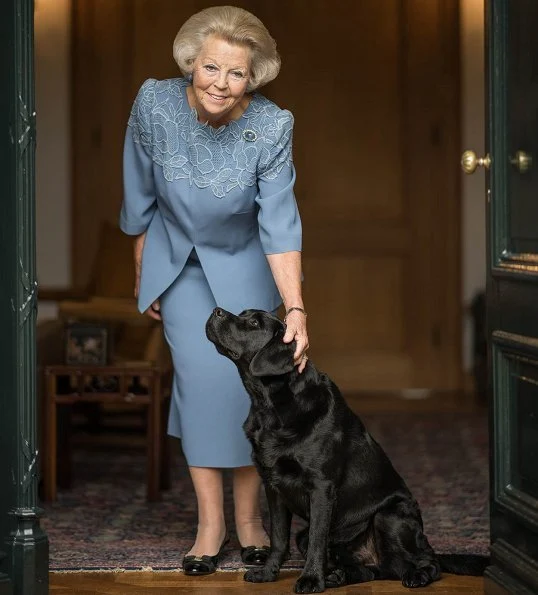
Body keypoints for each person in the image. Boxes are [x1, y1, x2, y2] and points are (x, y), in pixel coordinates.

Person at [119, 5, 308, 576]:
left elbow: (280, 224)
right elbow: (138, 194)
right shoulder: (153, 102)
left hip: (247, 271)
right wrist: (142, 270)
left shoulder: (272, 127)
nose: (221, 85)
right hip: (180, 268)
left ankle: (251, 521)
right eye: (211, 69)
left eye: (237, 74)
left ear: (253, 77)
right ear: (190, 63)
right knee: (202, 388)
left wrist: (295, 308)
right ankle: (211, 524)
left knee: (252, 392)